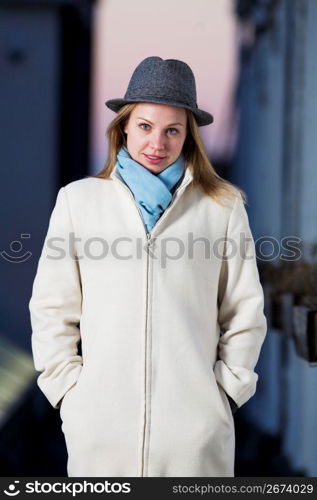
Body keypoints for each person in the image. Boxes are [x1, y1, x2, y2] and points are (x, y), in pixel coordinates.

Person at [29, 56, 267, 477]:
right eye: (145, 126)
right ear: (123, 126)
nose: (157, 143)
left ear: (188, 135)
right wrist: (69, 393)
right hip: (100, 432)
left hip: (196, 436)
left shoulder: (223, 207)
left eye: (172, 130)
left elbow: (244, 310)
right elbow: (52, 308)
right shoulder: (79, 201)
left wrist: (226, 393)